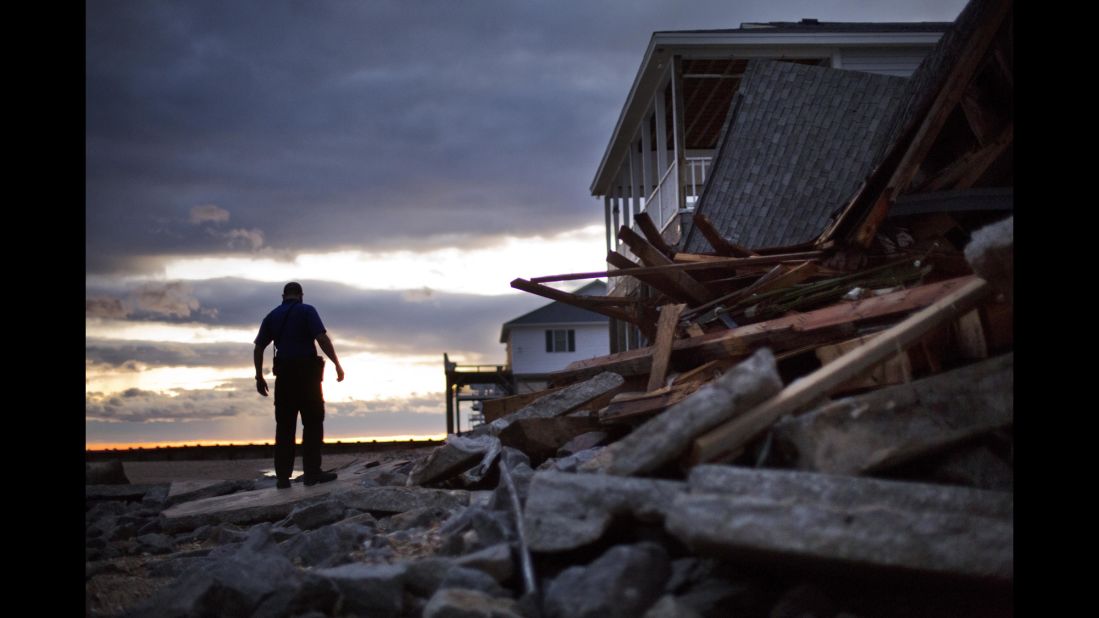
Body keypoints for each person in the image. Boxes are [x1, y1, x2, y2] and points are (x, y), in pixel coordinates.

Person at [254, 282, 345, 489]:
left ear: (283, 296)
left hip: (284, 377)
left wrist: (259, 377)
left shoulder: (272, 316)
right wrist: (337, 364)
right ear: (301, 295)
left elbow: (259, 347)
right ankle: (312, 474)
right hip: (307, 377)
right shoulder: (307, 310)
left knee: (284, 427)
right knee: (313, 424)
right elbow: (321, 338)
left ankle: (283, 479)